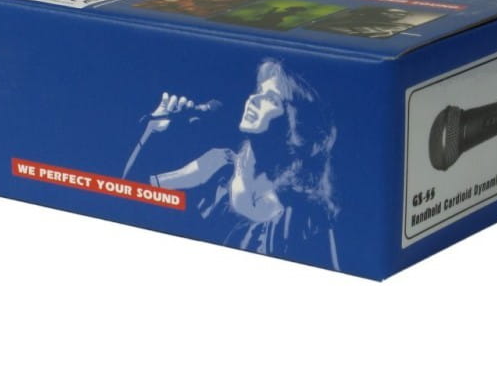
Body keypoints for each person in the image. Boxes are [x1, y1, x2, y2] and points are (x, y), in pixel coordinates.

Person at [124, 60, 340, 269]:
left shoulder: (304, 213)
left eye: (271, 99)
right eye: (257, 92)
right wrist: (152, 130)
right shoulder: (217, 165)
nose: (254, 99)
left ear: (292, 125)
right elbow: (130, 192)